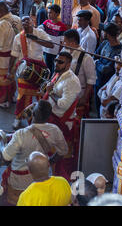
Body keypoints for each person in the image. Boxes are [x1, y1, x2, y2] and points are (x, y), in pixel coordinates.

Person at [0, 100, 68, 205]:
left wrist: (1, 143)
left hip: (20, 179)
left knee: (16, 200)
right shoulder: (55, 130)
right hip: (42, 175)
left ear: (33, 114)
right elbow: (63, 151)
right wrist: (50, 161)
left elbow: (6, 157)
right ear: (49, 116)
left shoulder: (21, 134)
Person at [8, 16, 53, 130]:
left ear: (33, 22)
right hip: (24, 70)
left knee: (40, 96)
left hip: (39, 70)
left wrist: (35, 38)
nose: (25, 22)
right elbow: (13, 55)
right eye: (23, 20)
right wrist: (10, 71)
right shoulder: (18, 37)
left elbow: (51, 45)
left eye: (28, 20)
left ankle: (39, 120)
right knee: (22, 95)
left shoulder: (40, 33)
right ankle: (18, 118)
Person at [44, 52, 81, 180]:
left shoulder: (72, 81)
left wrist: (50, 92)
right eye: (56, 60)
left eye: (60, 62)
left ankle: (60, 182)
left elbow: (63, 105)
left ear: (69, 64)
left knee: (60, 157)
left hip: (63, 123)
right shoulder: (58, 74)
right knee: (51, 152)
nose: (56, 64)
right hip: (53, 119)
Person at [0, 1, 22, 109]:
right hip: (14, 56)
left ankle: (2, 101)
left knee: (1, 81)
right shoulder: (17, 19)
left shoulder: (2, 24)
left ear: (0, 11)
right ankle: (11, 97)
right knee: (11, 78)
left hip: (2, 58)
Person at [62, 29, 97, 119]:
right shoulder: (65, 51)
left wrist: (84, 97)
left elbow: (91, 80)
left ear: (72, 43)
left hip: (78, 93)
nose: (63, 44)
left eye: (65, 42)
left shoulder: (86, 58)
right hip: (64, 90)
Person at [95, 22, 122, 111]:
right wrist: (98, 62)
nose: (102, 33)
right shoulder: (104, 43)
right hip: (97, 80)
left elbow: (105, 70)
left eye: (104, 31)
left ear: (108, 34)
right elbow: (95, 56)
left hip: (108, 84)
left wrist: (97, 63)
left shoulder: (119, 50)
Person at [38, 4, 67, 75]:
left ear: (57, 14)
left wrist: (59, 53)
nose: (48, 14)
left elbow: (62, 42)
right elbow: (38, 30)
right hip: (46, 51)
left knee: (54, 70)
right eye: (48, 12)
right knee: (46, 69)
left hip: (55, 53)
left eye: (50, 12)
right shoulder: (46, 23)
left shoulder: (62, 26)